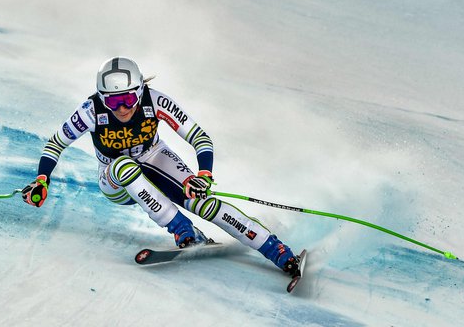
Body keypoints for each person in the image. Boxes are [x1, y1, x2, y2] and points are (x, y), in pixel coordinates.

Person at [22, 56, 300, 275]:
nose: (121, 108)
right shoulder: (90, 112)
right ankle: (183, 230)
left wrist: (203, 175)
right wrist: (42, 179)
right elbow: (55, 144)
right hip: (114, 180)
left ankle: (279, 252)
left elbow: (199, 137)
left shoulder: (155, 101)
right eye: (113, 101)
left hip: (155, 157)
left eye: (128, 99)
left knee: (204, 203)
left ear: (140, 90)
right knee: (123, 165)